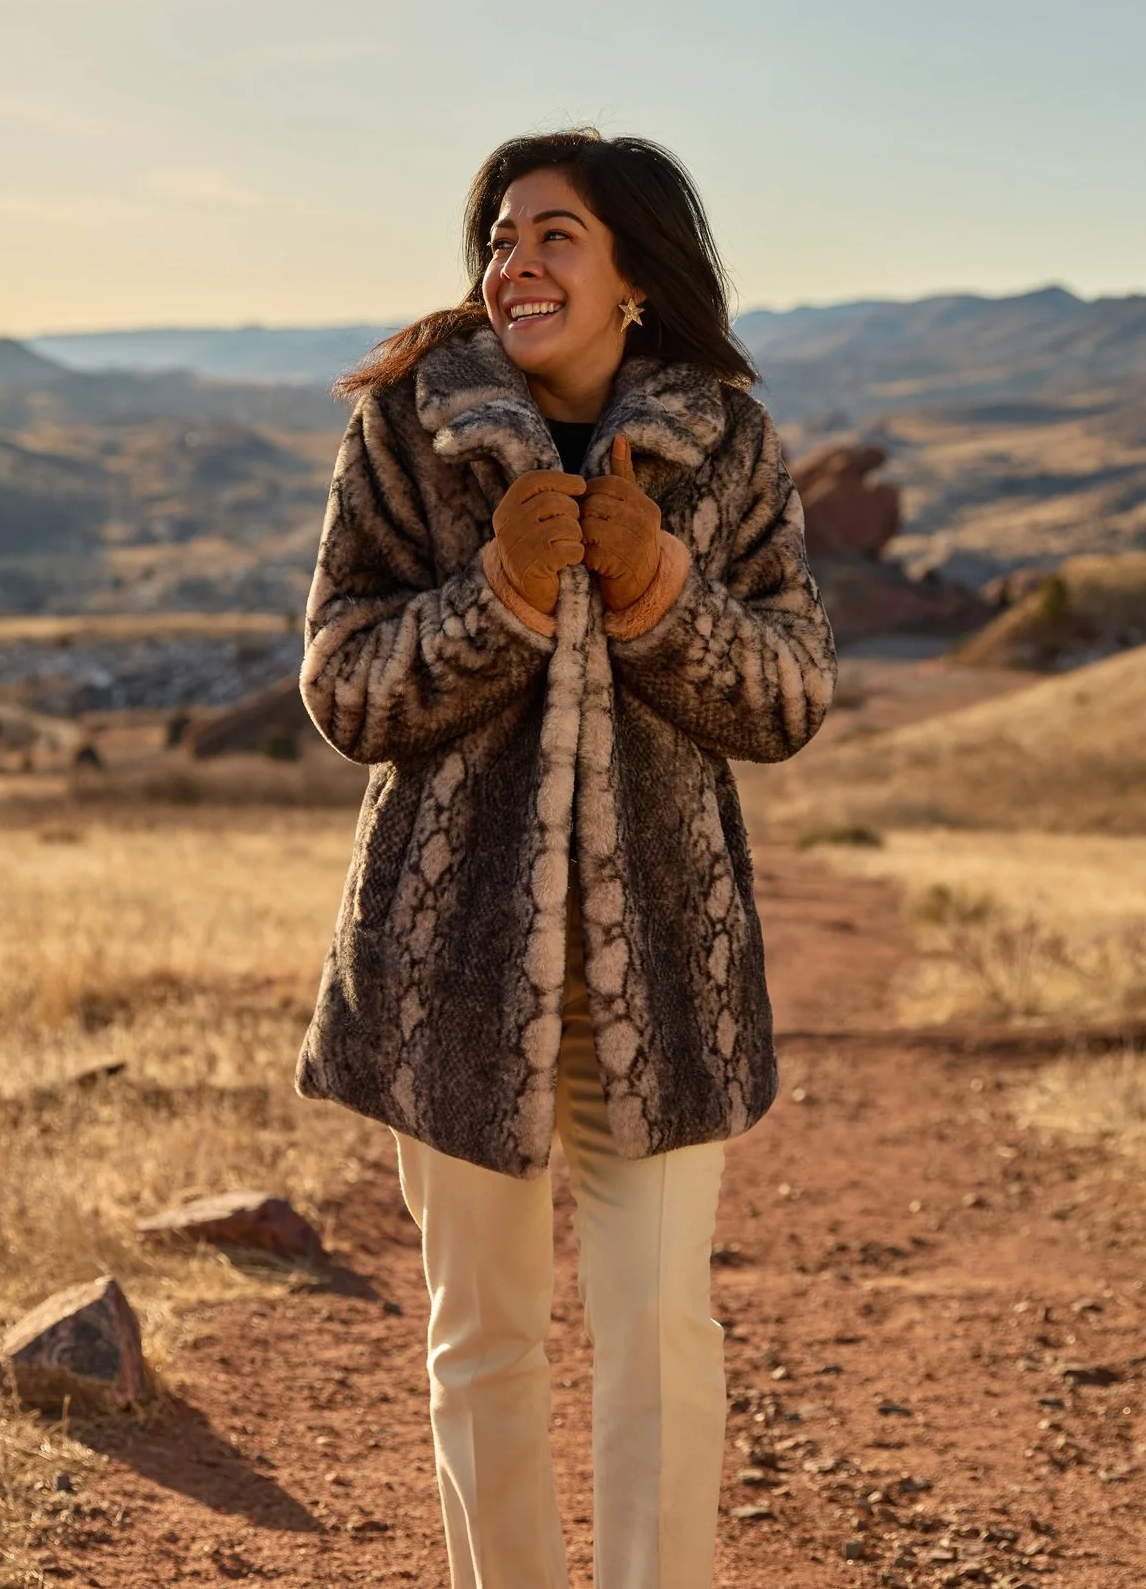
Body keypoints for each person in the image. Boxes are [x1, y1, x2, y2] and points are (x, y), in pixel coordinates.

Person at [295, 128, 836, 1589]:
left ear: (636, 279)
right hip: (448, 965)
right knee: (483, 1340)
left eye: (555, 237)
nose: (515, 263)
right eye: (500, 237)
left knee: (663, 1327)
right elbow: (343, 687)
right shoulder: (412, 427)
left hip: (670, 964)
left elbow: (790, 695)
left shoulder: (726, 443)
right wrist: (500, 596)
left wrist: (662, 586)